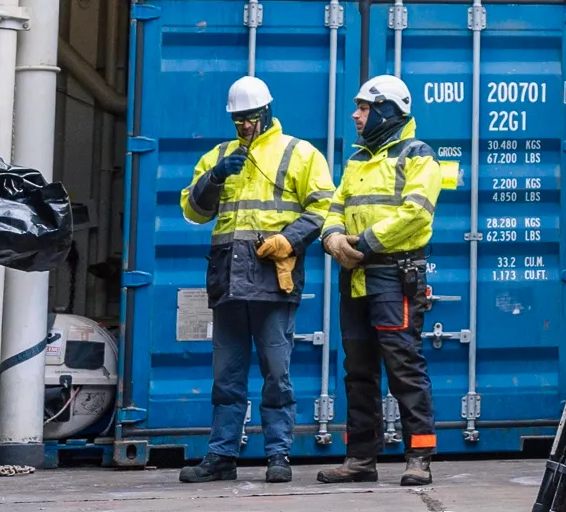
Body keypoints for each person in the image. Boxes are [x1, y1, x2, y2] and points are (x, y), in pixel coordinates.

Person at [176, 74, 331, 484]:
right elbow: (193, 210)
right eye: (238, 119)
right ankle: (221, 455)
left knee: (276, 374)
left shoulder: (299, 153)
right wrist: (214, 178)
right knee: (226, 375)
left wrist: (288, 240)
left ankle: (279, 455)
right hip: (228, 279)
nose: (245, 126)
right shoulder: (219, 155)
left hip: (271, 278)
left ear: (267, 112)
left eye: (251, 118)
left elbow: (323, 208)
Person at [318, 73, 461, 487]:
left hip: (393, 276)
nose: (355, 115)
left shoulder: (419, 156)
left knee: (404, 366)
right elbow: (335, 206)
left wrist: (361, 242)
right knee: (357, 371)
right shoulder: (358, 160)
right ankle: (361, 458)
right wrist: (331, 238)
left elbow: (416, 213)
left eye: (363, 108)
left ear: (386, 111)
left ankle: (420, 456)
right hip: (356, 276)